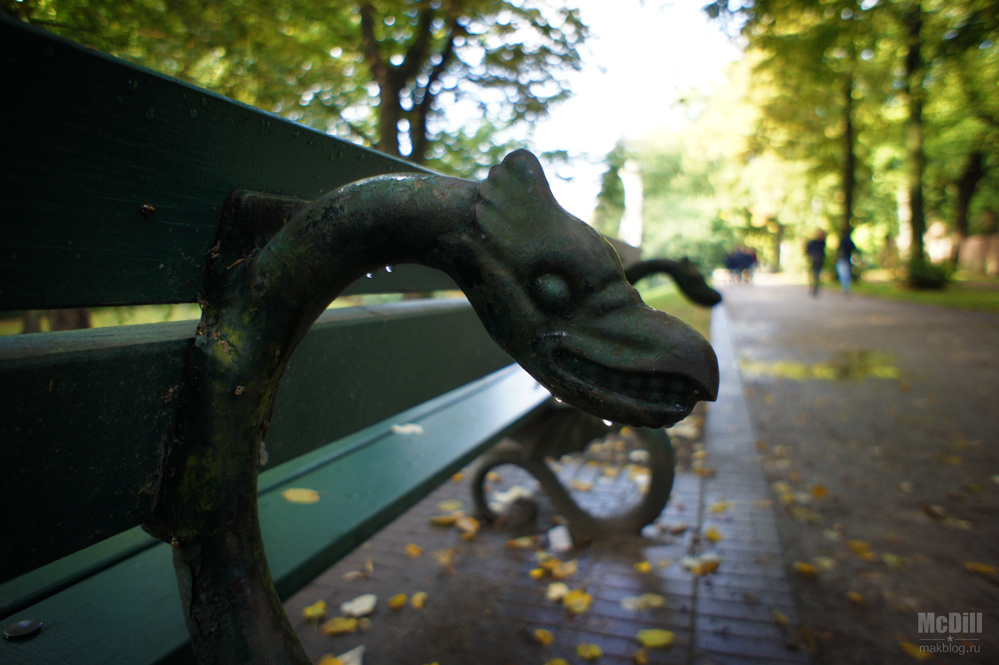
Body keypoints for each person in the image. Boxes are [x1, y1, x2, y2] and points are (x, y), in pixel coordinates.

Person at [805, 230, 826, 297]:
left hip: (817, 260)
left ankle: (814, 288)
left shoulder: (821, 243)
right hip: (815, 260)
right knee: (815, 275)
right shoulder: (816, 242)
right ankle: (813, 288)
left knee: (815, 275)